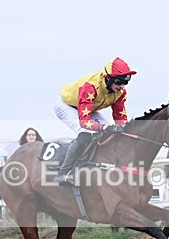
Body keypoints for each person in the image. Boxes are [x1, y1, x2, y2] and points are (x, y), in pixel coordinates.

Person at [53, 57, 135, 186]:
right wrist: (104, 127)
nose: (122, 86)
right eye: (119, 82)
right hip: (67, 106)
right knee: (86, 132)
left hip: (88, 108)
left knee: (113, 132)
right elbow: (84, 122)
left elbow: (119, 117)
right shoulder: (90, 87)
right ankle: (63, 173)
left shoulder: (120, 92)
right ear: (108, 78)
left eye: (125, 82)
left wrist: (124, 129)